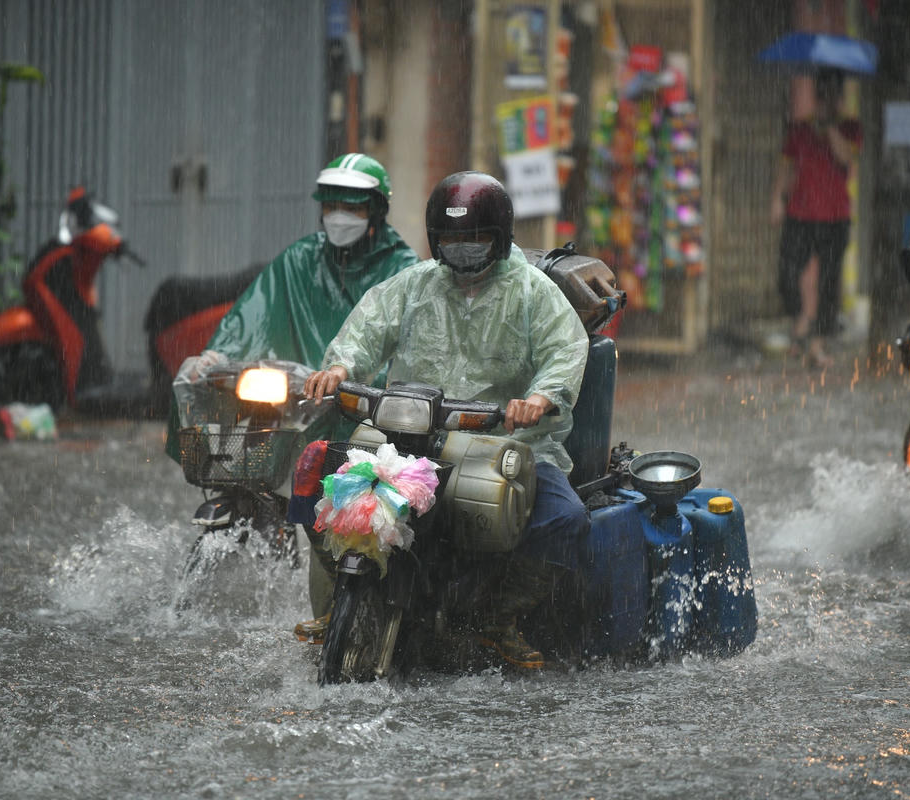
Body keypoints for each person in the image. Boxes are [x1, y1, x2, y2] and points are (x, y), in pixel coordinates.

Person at [300, 171, 591, 670]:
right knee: (319, 484)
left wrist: (540, 398)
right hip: (410, 433)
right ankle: (338, 604)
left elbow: (565, 349)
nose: (463, 249)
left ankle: (503, 617)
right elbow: (368, 327)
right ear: (436, 241)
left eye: (475, 239)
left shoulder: (531, 290)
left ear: (498, 238)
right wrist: (339, 367)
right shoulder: (414, 285)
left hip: (502, 439)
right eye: (452, 239)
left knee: (564, 518)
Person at [165, 152, 419, 461]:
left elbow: (405, 346)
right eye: (330, 207)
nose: (339, 217)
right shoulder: (303, 257)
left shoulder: (403, 269)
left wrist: (374, 381)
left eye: (352, 208)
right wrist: (218, 353)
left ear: (375, 211)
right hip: (296, 393)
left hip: (362, 402)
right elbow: (258, 308)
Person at [770, 68, 861, 368]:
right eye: (823, 97)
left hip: (835, 217)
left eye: (833, 97)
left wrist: (831, 127)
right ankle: (802, 321)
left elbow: (847, 158)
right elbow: (786, 166)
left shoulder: (849, 127)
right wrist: (777, 200)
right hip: (801, 213)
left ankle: (818, 344)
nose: (827, 102)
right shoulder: (799, 129)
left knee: (828, 282)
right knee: (787, 271)